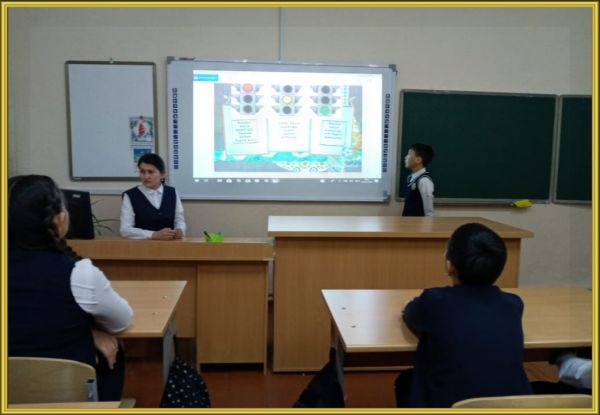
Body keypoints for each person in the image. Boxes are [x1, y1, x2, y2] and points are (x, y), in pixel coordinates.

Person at [8, 175, 133, 401]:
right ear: (59, 220)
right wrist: (91, 334)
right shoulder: (79, 274)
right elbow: (121, 321)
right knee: (113, 349)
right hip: (69, 398)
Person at [394, 223, 532, 407]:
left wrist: (409, 305)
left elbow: (411, 315)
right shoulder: (514, 304)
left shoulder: (434, 301)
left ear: (449, 265)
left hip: (449, 405)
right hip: (511, 407)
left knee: (406, 381)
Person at [120, 153, 186, 240]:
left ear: (162, 174)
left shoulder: (172, 192)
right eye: (142, 172)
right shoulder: (130, 195)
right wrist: (153, 234)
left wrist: (180, 231)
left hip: (170, 245)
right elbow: (125, 230)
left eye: (150, 172)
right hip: (143, 246)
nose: (146, 176)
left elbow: (179, 221)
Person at [402, 143, 434, 217]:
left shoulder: (424, 180)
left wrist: (428, 222)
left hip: (418, 223)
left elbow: (428, 209)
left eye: (409, 154)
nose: (405, 157)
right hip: (408, 221)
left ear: (418, 160)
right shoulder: (410, 178)